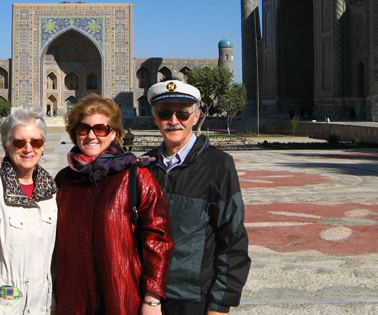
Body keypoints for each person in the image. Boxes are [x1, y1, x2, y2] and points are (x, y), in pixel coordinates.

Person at [55, 94, 173, 314]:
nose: (91, 136)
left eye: (100, 129)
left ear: (114, 133)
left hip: (121, 298)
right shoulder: (65, 181)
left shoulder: (136, 177)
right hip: (74, 301)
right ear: (74, 133)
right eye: (83, 129)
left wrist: (152, 297)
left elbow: (158, 240)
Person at [144, 80, 250, 315]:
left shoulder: (218, 165)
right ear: (154, 118)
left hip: (194, 299)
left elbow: (232, 238)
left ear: (196, 116)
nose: (173, 121)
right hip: (149, 297)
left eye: (182, 113)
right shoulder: (144, 167)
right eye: (165, 114)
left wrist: (220, 304)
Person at [0, 107, 57, 314]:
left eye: (35, 142)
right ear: (6, 145)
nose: (28, 149)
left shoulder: (49, 194)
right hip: (7, 307)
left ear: (43, 146)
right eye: (19, 142)